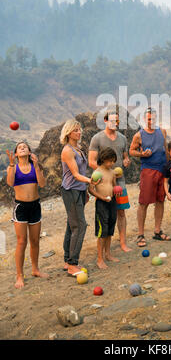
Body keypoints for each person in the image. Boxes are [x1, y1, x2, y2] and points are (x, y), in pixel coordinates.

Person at [88, 109, 132, 252]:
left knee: (120, 213)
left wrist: (126, 161)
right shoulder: (97, 138)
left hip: (120, 182)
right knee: (105, 214)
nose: (115, 123)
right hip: (104, 183)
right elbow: (91, 161)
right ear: (105, 121)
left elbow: (125, 157)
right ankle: (105, 249)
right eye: (112, 120)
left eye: (117, 121)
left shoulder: (123, 139)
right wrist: (108, 173)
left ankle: (123, 243)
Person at [6, 141, 48, 289]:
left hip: (35, 206)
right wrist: (11, 165)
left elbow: (42, 184)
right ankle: (19, 275)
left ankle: (35, 269)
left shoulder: (35, 166)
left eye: (25, 146)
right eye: (19, 147)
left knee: (35, 240)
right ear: (16, 154)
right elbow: (10, 182)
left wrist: (36, 166)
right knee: (22, 242)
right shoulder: (13, 167)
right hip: (21, 208)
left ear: (30, 152)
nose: (22, 147)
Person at [60, 119, 99, 276]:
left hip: (79, 190)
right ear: (69, 132)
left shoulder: (79, 149)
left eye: (80, 129)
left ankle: (67, 260)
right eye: (76, 130)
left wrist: (86, 190)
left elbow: (81, 173)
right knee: (80, 226)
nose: (79, 132)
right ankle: (72, 264)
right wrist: (90, 181)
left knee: (72, 225)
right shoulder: (67, 150)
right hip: (70, 191)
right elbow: (76, 175)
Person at [129, 107, 171, 247]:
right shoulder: (139, 135)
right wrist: (142, 155)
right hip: (148, 170)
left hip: (162, 170)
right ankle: (140, 234)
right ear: (144, 119)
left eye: (153, 118)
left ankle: (157, 231)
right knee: (144, 202)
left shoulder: (162, 132)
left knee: (160, 200)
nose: (151, 121)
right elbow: (132, 151)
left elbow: (165, 149)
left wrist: (168, 168)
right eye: (148, 119)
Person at [88, 147, 120, 270]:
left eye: (113, 161)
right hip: (101, 203)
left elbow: (114, 186)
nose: (111, 163)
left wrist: (116, 192)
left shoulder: (112, 172)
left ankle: (108, 254)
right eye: (109, 161)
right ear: (103, 159)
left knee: (110, 228)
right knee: (102, 230)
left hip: (112, 201)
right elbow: (90, 189)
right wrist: (101, 197)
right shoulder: (97, 172)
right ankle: (99, 259)